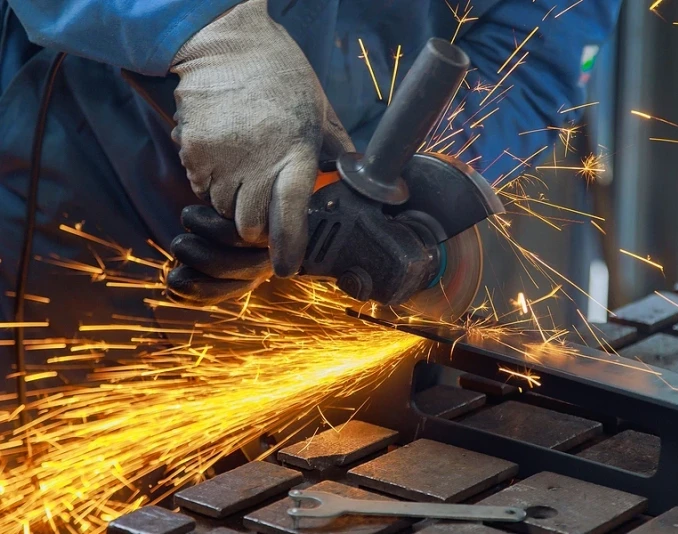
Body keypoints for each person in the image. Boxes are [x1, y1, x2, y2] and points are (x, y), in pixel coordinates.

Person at [0, 0, 621, 376]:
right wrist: (206, 35)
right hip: (70, 191)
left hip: (305, 273)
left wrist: (392, 183)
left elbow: (539, 45)